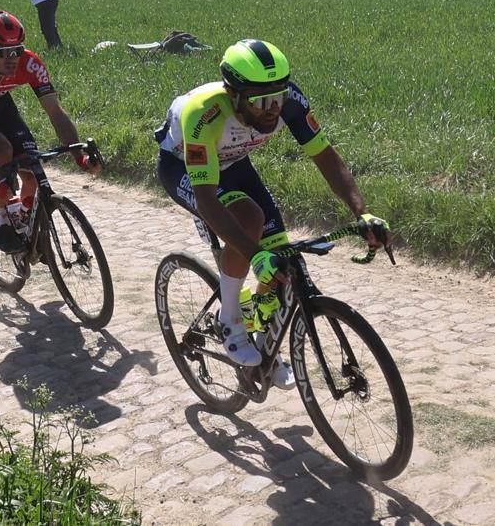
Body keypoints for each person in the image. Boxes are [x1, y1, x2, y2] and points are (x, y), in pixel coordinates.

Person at [155, 39, 391, 387]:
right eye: (260, 101)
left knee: (284, 261)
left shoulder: (289, 103)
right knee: (249, 222)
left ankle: (266, 345)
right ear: (233, 95)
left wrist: (362, 213)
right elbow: (207, 201)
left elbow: (326, 157)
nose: (271, 110)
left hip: (234, 162)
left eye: (276, 98)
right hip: (183, 168)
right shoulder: (204, 113)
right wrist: (254, 255)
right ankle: (231, 318)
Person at [0, 11, 99, 253]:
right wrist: (1, 178)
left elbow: (55, 112)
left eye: (17, 50)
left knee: (31, 171)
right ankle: (0, 218)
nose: (13, 59)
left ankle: (23, 221)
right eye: (3, 52)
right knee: (1, 150)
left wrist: (78, 155)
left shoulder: (29, 64)